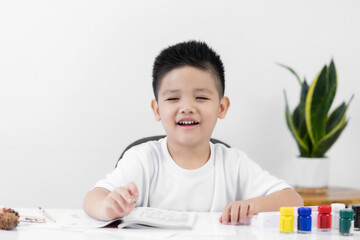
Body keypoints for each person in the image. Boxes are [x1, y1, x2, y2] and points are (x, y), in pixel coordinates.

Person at [83, 40, 303, 225]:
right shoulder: (143, 159)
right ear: (157, 109)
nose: (187, 107)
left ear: (222, 107)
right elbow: (93, 198)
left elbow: (293, 199)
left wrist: (253, 205)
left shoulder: (234, 163)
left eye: (201, 97)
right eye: (172, 98)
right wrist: (109, 206)